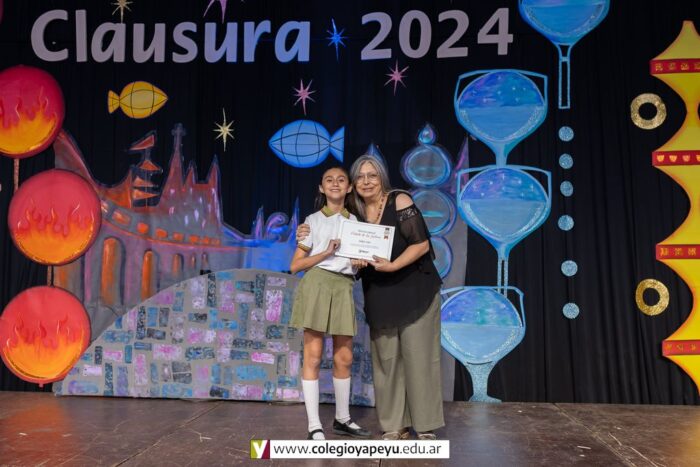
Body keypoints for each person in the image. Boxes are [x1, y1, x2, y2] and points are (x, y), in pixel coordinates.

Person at [297, 155, 444, 440]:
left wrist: (393, 265)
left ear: (382, 179)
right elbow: (324, 227)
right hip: (379, 292)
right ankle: (394, 425)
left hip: (415, 290)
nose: (366, 181)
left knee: (419, 358)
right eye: (360, 176)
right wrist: (304, 231)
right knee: (386, 361)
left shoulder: (399, 201)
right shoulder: (353, 213)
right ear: (354, 184)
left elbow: (421, 244)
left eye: (372, 175)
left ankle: (425, 426)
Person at [289, 166, 371, 441]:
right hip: (317, 285)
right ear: (321, 188)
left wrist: (360, 263)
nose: (335, 183)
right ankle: (314, 425)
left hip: (344, 287)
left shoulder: (357, 224)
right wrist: (325, 252)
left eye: (341, 180)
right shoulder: (311, 221)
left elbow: (358, 264)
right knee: (313, 356)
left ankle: (343, 419)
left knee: (344, 357)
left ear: (349, 187)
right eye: (329, 180)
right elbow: (295, 265)